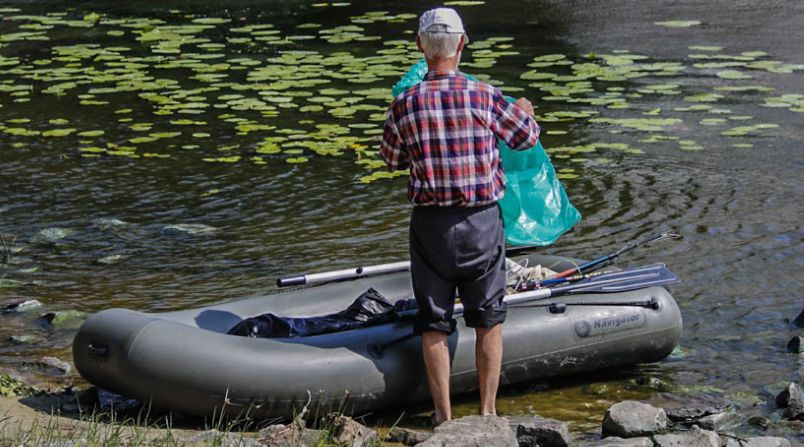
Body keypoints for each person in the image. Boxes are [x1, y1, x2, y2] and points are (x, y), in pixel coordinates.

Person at [379, 7, 541, 426]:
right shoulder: (486, 95)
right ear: (462, 44)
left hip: (431, 226)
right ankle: (487, 413)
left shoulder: (404, 105)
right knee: (488, 319)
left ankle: (442, 416)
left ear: (420, 46)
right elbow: (524, 139)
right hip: (482, 223)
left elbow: (391, 159)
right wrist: (522, 108)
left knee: (433, 322)